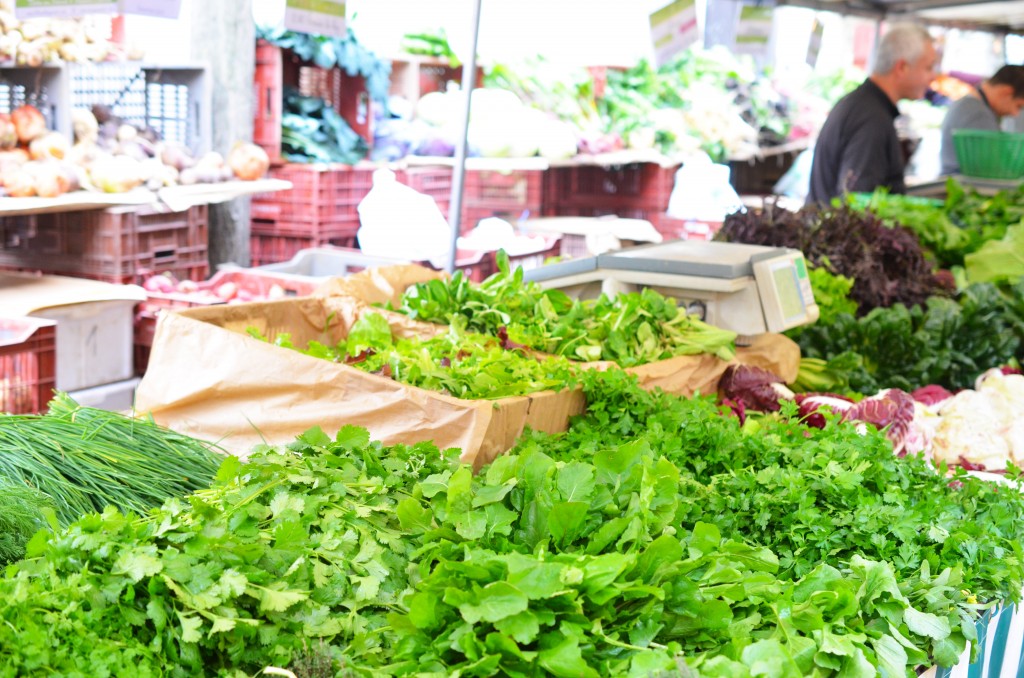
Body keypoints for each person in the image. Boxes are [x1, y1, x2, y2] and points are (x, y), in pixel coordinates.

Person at [808, 24, 938, 203]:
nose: (933, 77)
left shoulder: (864, 105)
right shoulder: (871, 119)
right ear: (902, 68)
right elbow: (858, 203)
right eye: (929, 68)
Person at [939, 65, 1024, 175]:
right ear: (1006, 92)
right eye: (1018, 106)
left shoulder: (969, 105)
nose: (1015, 113)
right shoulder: (978, 114)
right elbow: (993, 170)